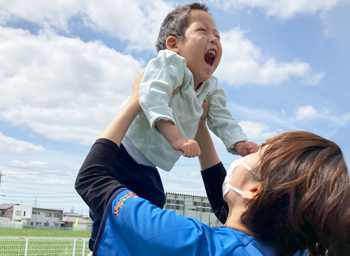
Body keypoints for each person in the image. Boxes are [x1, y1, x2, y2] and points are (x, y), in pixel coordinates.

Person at [76, 70, 350, 256]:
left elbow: (91, 179)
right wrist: (200, 126)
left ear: (254, 192)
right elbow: (233, 217)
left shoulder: (189, 242)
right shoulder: (291, 248)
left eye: (259, 153)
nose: (246, 155)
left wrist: (137, 100)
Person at [87, 2, 258, 252]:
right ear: (173, 45)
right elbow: (152, 97)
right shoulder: (168, 65)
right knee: (107, 211)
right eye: (203, 31)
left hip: (148, 164)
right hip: (122, 156)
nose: (214, 40)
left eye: (218, 36)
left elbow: (222, 118)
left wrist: (239, 143)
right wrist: (175, 138)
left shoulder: (211, 88)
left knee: (154, 202)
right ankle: (97, 247)